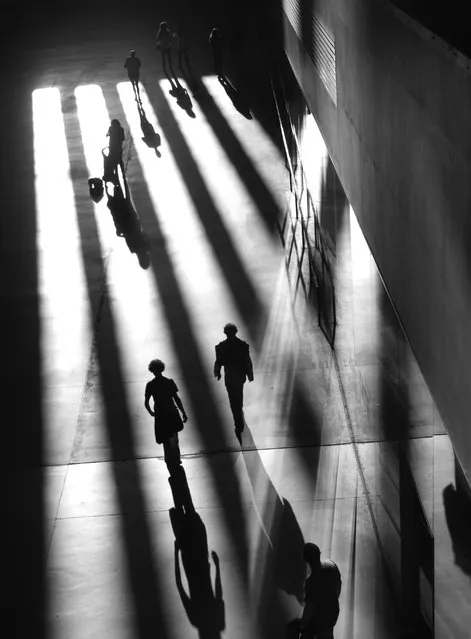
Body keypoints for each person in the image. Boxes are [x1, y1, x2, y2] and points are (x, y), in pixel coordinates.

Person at [145, 359, 188, 474]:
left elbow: (146, 402)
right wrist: (183, 412)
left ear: (152, 371)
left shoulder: (150, 385)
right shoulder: (169, 382)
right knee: (174, 437)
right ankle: (176, 459)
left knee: (164, 438)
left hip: (160, 414)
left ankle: (168, 459)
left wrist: (151, 412)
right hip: (172, 412)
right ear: (162, 369)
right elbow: (177, 399)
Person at [214, 323, 253, 440]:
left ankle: (238, 423)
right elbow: (247, 361)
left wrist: (218, 372)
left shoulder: (220, 347)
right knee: (239, 397)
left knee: (232, 400)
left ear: (225, 333)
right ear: (236, 332)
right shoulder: (243, 345)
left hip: (229, 377)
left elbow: (218, 362)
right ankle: (239, 414)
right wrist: (250, 374)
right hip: (239, 377)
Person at [300, 543, 342, 639]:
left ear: (305, 559)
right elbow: (338, 586)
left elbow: (309, 607)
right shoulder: (331, 565)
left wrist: (303, 624)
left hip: (317, 621)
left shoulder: (310, 582)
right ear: (319, 553)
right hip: (332, 613)